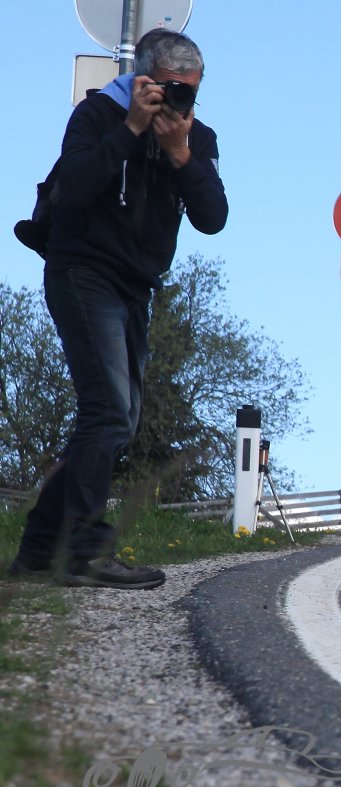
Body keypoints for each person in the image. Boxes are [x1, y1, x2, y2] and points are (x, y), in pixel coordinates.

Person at [7, 30, 228, 590]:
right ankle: (84, 552)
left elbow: (213, 217)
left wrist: (180, 154)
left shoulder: (195, 137)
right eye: (170, 87)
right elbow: (78, 186)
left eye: (190, 91)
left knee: (118, 421)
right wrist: (130, 129)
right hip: (81, 271)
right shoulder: (99, 115)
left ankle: (37, 553)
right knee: (107, 411)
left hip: (135, 285)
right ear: (142, 79)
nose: (179, 100)